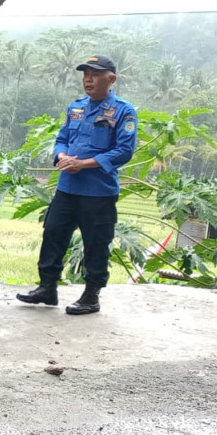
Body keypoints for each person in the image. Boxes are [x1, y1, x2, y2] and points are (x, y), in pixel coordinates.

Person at [17, 55, 137, 315]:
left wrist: (85, 163)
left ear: (111, 79)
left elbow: (124, 151)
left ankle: (91, 296)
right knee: (53, 234)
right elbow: (62, 139)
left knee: (96, 242)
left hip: (99, 193)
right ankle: (47, 288)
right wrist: (61, 156)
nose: (88, 79)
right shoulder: (76, 108)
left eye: (95, 74)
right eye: (85, 74)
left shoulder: (123, 111)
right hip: (67, 188)